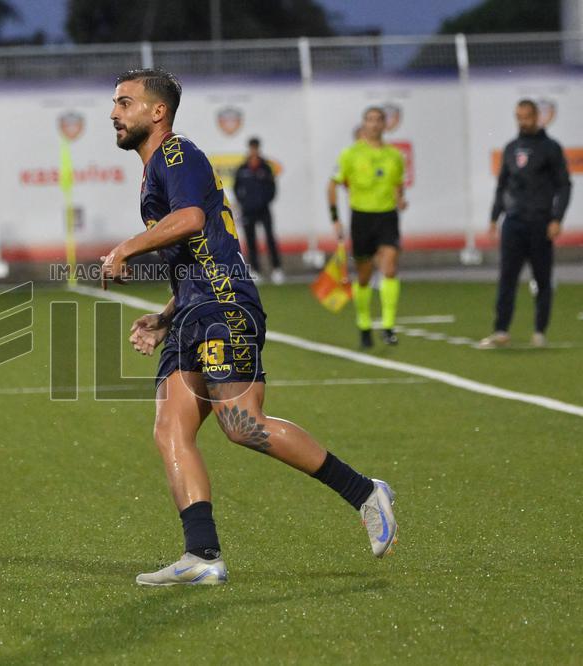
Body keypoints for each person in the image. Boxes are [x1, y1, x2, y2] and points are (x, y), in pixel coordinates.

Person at [101, 68, 398, 587]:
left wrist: (126, 247)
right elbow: (201, 247)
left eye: (125, 102)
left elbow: (192, 219)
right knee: (171, 428)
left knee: (241, 424)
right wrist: (166, 316)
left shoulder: (176, 154)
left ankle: (364, 492)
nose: (113, 113)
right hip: (196, 309)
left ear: (157, 112)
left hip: (224, 308)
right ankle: (203, 555)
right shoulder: (155, 172)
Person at [477, 99, 572, 349]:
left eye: (527, 116)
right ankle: (501, 330)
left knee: (542, 279)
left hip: (540, 222)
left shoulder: (550, 148)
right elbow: (501, 186)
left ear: (537, 117)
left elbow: (564, 185)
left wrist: (557, 218)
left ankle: (540, 331)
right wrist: (493, 218)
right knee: (507, 277)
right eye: (519, 116)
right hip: (514, 222)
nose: (523, 121)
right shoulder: (511, 148)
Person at [328, 107, 407, 349]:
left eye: (378, 120)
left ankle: (388, 326)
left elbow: (398, 184)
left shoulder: (395, 155)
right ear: (364, 125)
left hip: (387, 217)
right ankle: (363, 323)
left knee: (390, 266)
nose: (374, 124)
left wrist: (400, 198)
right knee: (364, 276)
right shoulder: (350, 154)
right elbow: (332, 185)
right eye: (369, 120)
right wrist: (336, 218)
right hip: (361, 217)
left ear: (385, 125)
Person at [234, 137, 283, 284]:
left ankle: (276, 269)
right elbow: (237, 188)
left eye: (256, 147)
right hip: (248, 210)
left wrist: (265, 201)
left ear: (258, 148)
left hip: (263, 209)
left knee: (270, 239)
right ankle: (255, 269)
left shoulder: (265, 167)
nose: (254, 150)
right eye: (252, 147)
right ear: (249, 148)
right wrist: (244, 202)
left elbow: (272, 187)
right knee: (250, 240)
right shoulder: (243, 168)